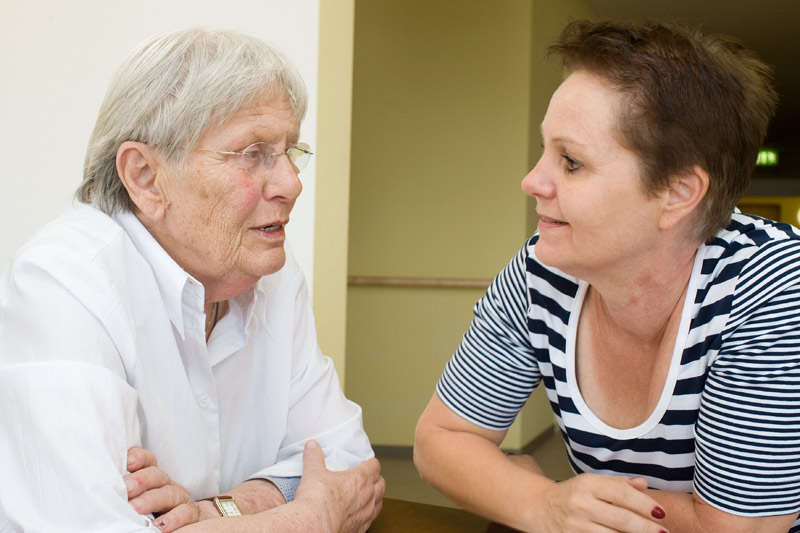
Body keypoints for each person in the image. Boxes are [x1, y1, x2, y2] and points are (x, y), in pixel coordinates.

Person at [415, 19, 800, 533]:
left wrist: (519, 490)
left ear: (679, 193)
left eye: (571, 162)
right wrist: (545, 504)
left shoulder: (773, 282)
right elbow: (439, 441)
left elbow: (737, 530)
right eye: (545, 150)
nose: (532, 180)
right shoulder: (541, 271)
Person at [0, 28, 383, 532]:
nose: (292, 183)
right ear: (145, 177)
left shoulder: (271, 275)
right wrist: (308, 518)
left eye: (290, 150)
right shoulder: (64, 284)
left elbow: (350, 462)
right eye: (252, 153)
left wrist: (223, 510)